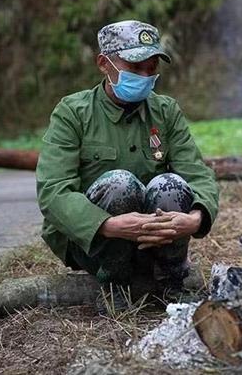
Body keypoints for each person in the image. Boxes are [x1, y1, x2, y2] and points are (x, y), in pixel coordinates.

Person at [36, 20, 219, 313]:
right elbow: (53, 191)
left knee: (169, 185)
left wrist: (196, 218)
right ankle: (114, 285)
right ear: (103, 64)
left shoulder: (165, 111)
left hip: (153, 240)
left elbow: (198, 174)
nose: (146, 76)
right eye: (135, 68)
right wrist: (107, 225)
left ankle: (171, 280)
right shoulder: (73, 112)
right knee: (119, 183)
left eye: (152, 68)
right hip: (95, 244)